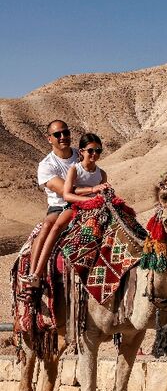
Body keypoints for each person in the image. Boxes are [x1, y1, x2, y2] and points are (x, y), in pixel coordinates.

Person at [30, 133, 110, 283]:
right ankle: (36, 273)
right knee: (54, 227)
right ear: (82, 151)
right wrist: (90, 197)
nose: (94, 154)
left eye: (98, 150)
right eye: (91, 150)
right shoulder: (74, 169)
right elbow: (67, 195)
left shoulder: (102, 174)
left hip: (94, 209)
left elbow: (101, 195)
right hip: (74, 206)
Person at [25, 120, 80, 288]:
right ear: (49, 139)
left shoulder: (82, 155)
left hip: (87, 203)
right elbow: (65, 192)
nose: (63, 137)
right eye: (57, 134)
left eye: (66, 132)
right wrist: (91, 191)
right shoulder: (46, 165)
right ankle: (34, 277)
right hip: (60, 206)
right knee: (48, 225)